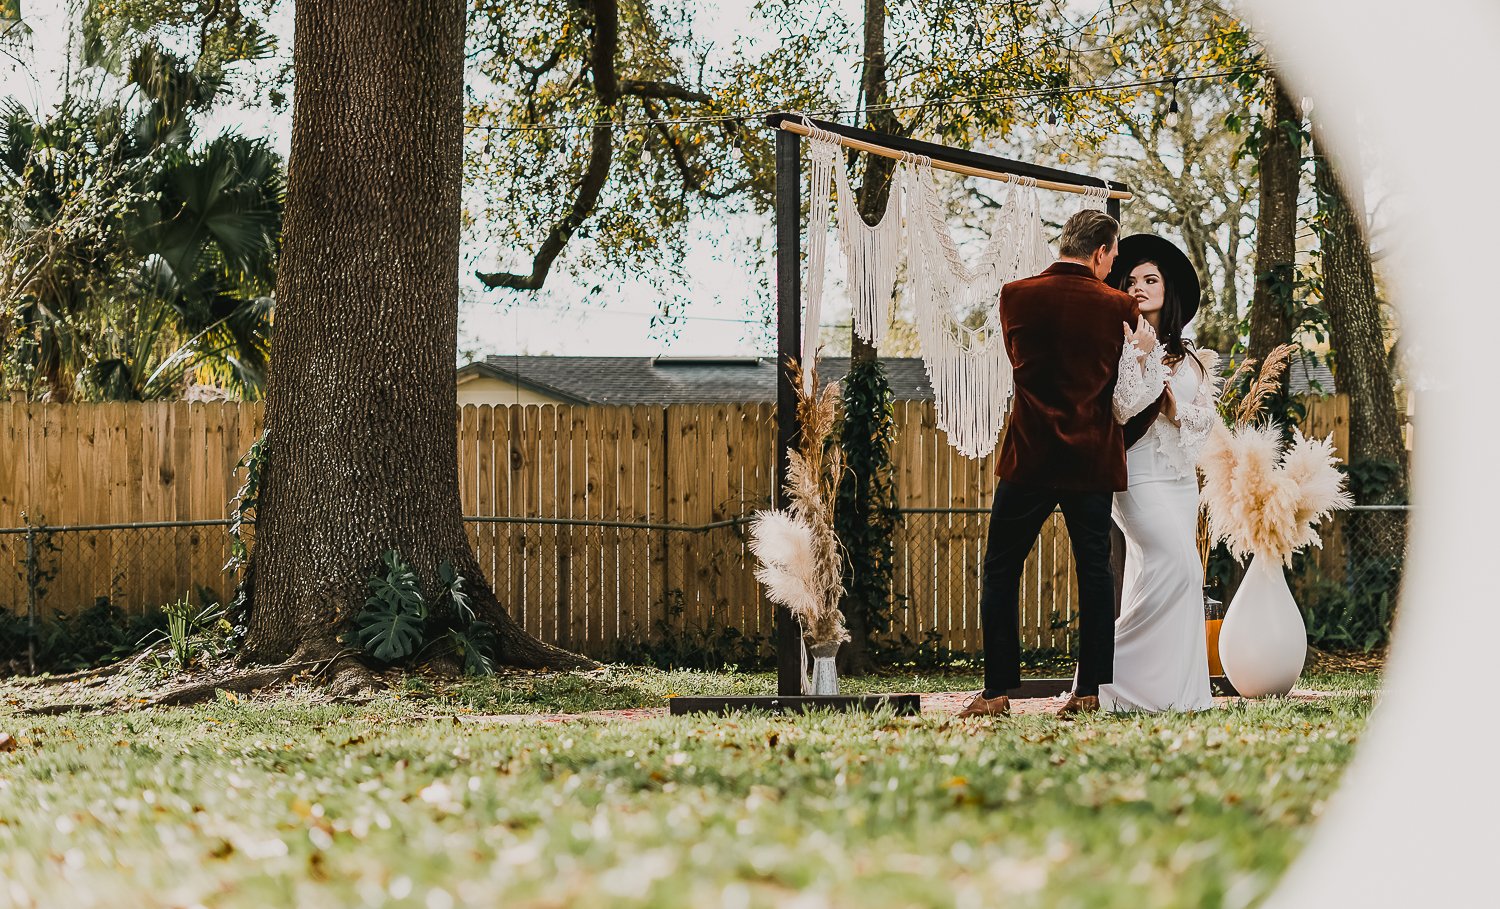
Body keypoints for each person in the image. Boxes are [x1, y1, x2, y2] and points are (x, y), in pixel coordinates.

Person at [958, 210, 1165, 719]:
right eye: (1114, 256)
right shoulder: (1120, 308)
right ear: (1099, 252)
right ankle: (1090, 692)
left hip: (1029, 454)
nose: (1114, 267)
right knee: (1096, 573)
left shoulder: (1015, 295)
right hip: (1090, 460)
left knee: (1001, 570)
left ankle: (997, 692)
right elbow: (1128, 394)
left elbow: (1020, 364)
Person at [1100, 235, 1221, 713]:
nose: (1140, 287)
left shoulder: (1190, 357)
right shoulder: (1119, 346)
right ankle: (1104, 672)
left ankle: (1164, 692)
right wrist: (1144, 359)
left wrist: (1176, 409)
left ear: (1167, 291)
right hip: (1137, 476)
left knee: (1158, 576)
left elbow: (1206, 420)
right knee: (1181, 565)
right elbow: (1121, 408)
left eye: (1151, 280)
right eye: (1131, 281)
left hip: (1179, 481)